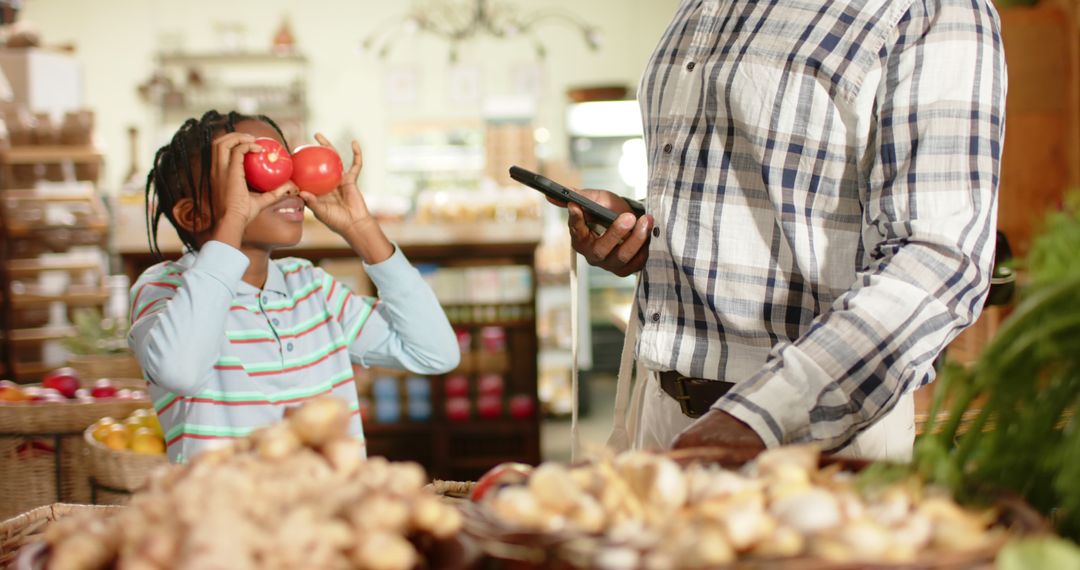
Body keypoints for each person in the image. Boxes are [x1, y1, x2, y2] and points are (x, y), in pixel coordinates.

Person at [557, 0, 1006, 461]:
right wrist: (642, 229)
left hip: (808, 439)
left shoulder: (930, 9)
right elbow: (754, 196)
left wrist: (762, 414)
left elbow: (938, 260)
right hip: (661, 411)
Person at [128, 110, 459, 463]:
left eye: (284, 161)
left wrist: (361, 229)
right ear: (194, 215)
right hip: (225, 514)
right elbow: (181, 370)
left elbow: (435, 352)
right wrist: (233, 219)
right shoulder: (165, 290)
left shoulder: (311, 288)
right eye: (250, 172)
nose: (285, 183)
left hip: (328, 514)